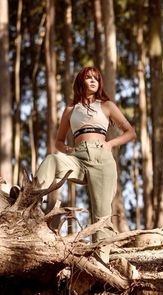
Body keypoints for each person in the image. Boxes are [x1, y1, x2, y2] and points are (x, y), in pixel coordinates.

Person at [35, 66, 136, 262]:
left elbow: (130, 132)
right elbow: (58, 141)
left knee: (101, 213)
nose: (92, 81)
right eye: (88, 78)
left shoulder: (106, 106)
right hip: (78, 158)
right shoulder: (70, 110)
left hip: (102, 159)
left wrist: (109, 144)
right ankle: (31, 202)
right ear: (80, 81)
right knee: (52, 160)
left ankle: (102, 259)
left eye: (96, 79)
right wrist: (69, 150)